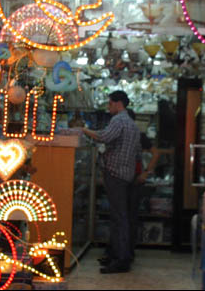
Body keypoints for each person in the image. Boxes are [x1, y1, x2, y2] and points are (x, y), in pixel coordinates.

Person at [78, 91, 140, 274]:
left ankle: (121, 260)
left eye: (110, 103)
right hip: (126, 175)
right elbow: (137, 151)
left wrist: (84, 130)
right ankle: (120, 255)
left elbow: (103, 137)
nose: (108, 106)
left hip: (115, 174)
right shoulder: (132, 124)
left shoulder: (119, 121)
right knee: (122, 217)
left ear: (118, 103)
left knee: (119, 218)